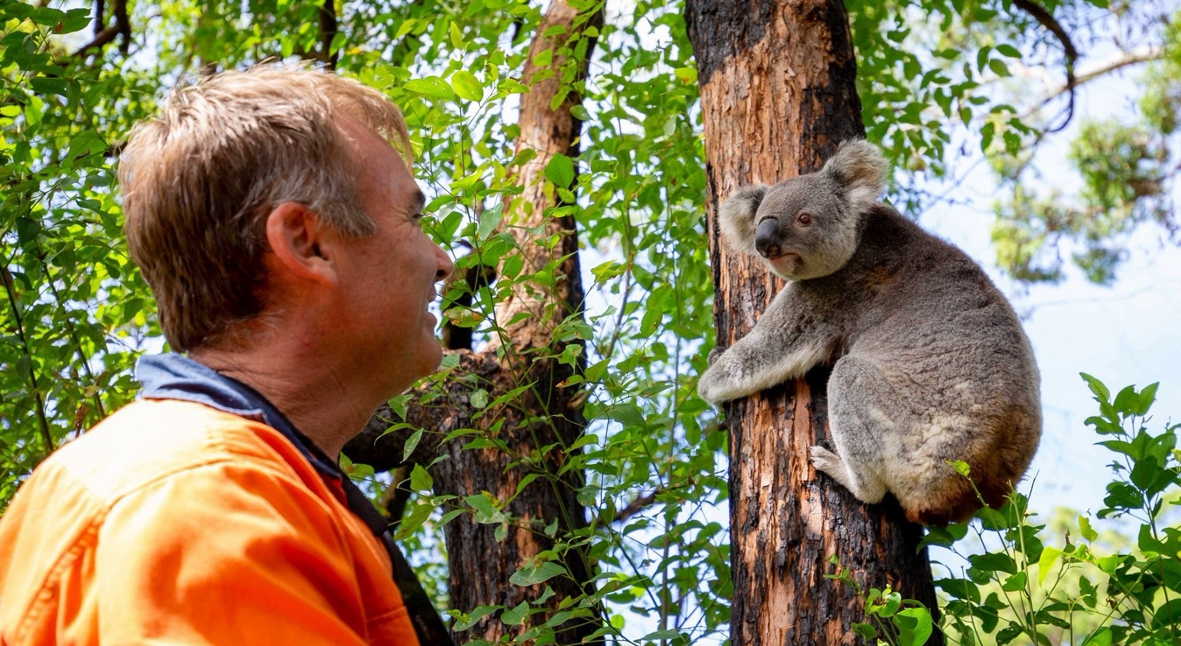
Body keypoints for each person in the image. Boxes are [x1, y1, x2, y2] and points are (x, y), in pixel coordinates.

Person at [0, 63, 455, 645]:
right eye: (413, 219)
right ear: (306, 243)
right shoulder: (206, 495)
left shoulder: (214, 483)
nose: (442, 262)